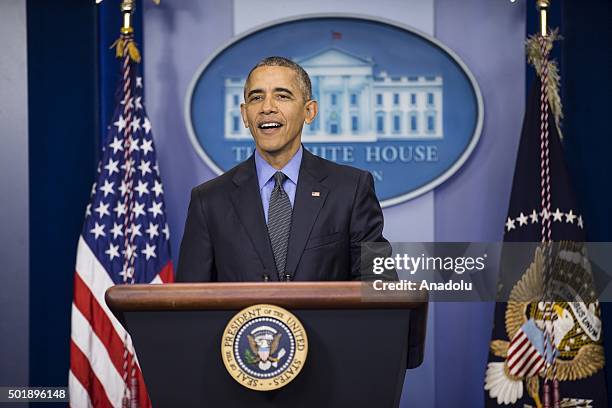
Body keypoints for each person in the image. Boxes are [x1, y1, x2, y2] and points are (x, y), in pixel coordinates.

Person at [177, 56, 393, 282]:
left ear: (309, 111)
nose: (267, 107)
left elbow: (379, 284)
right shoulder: (209, 200)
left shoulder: (351, 189)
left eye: (282, 96)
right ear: (245, 115)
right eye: (256, 97)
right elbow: (190, 300)